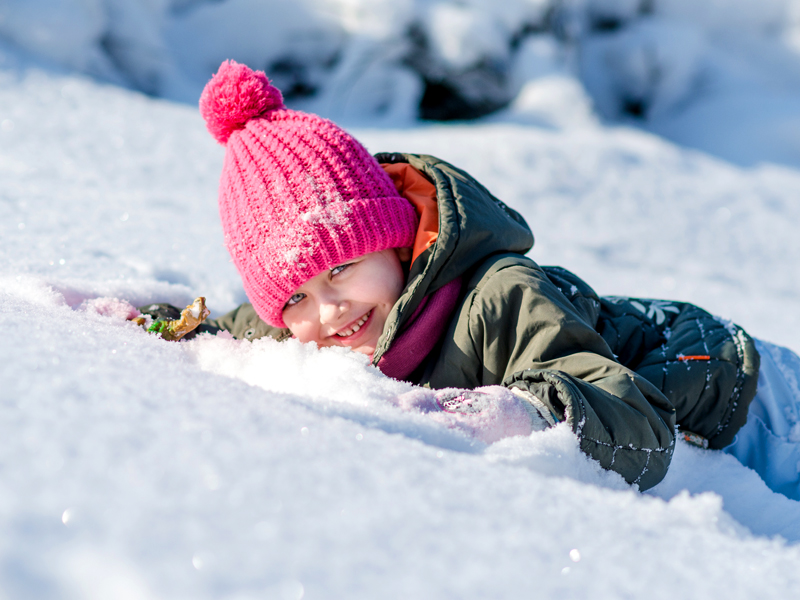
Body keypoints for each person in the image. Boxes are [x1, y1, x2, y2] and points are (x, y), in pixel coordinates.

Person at [142, 60, 800, 498]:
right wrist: (165, 325)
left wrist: (518, 414)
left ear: (397, 244)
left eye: (342, 268)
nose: (329, 308)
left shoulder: (500, 296)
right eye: (297, 295)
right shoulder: (309, 322)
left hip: (744, 399)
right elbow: (239, 326)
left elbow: (635, 426)